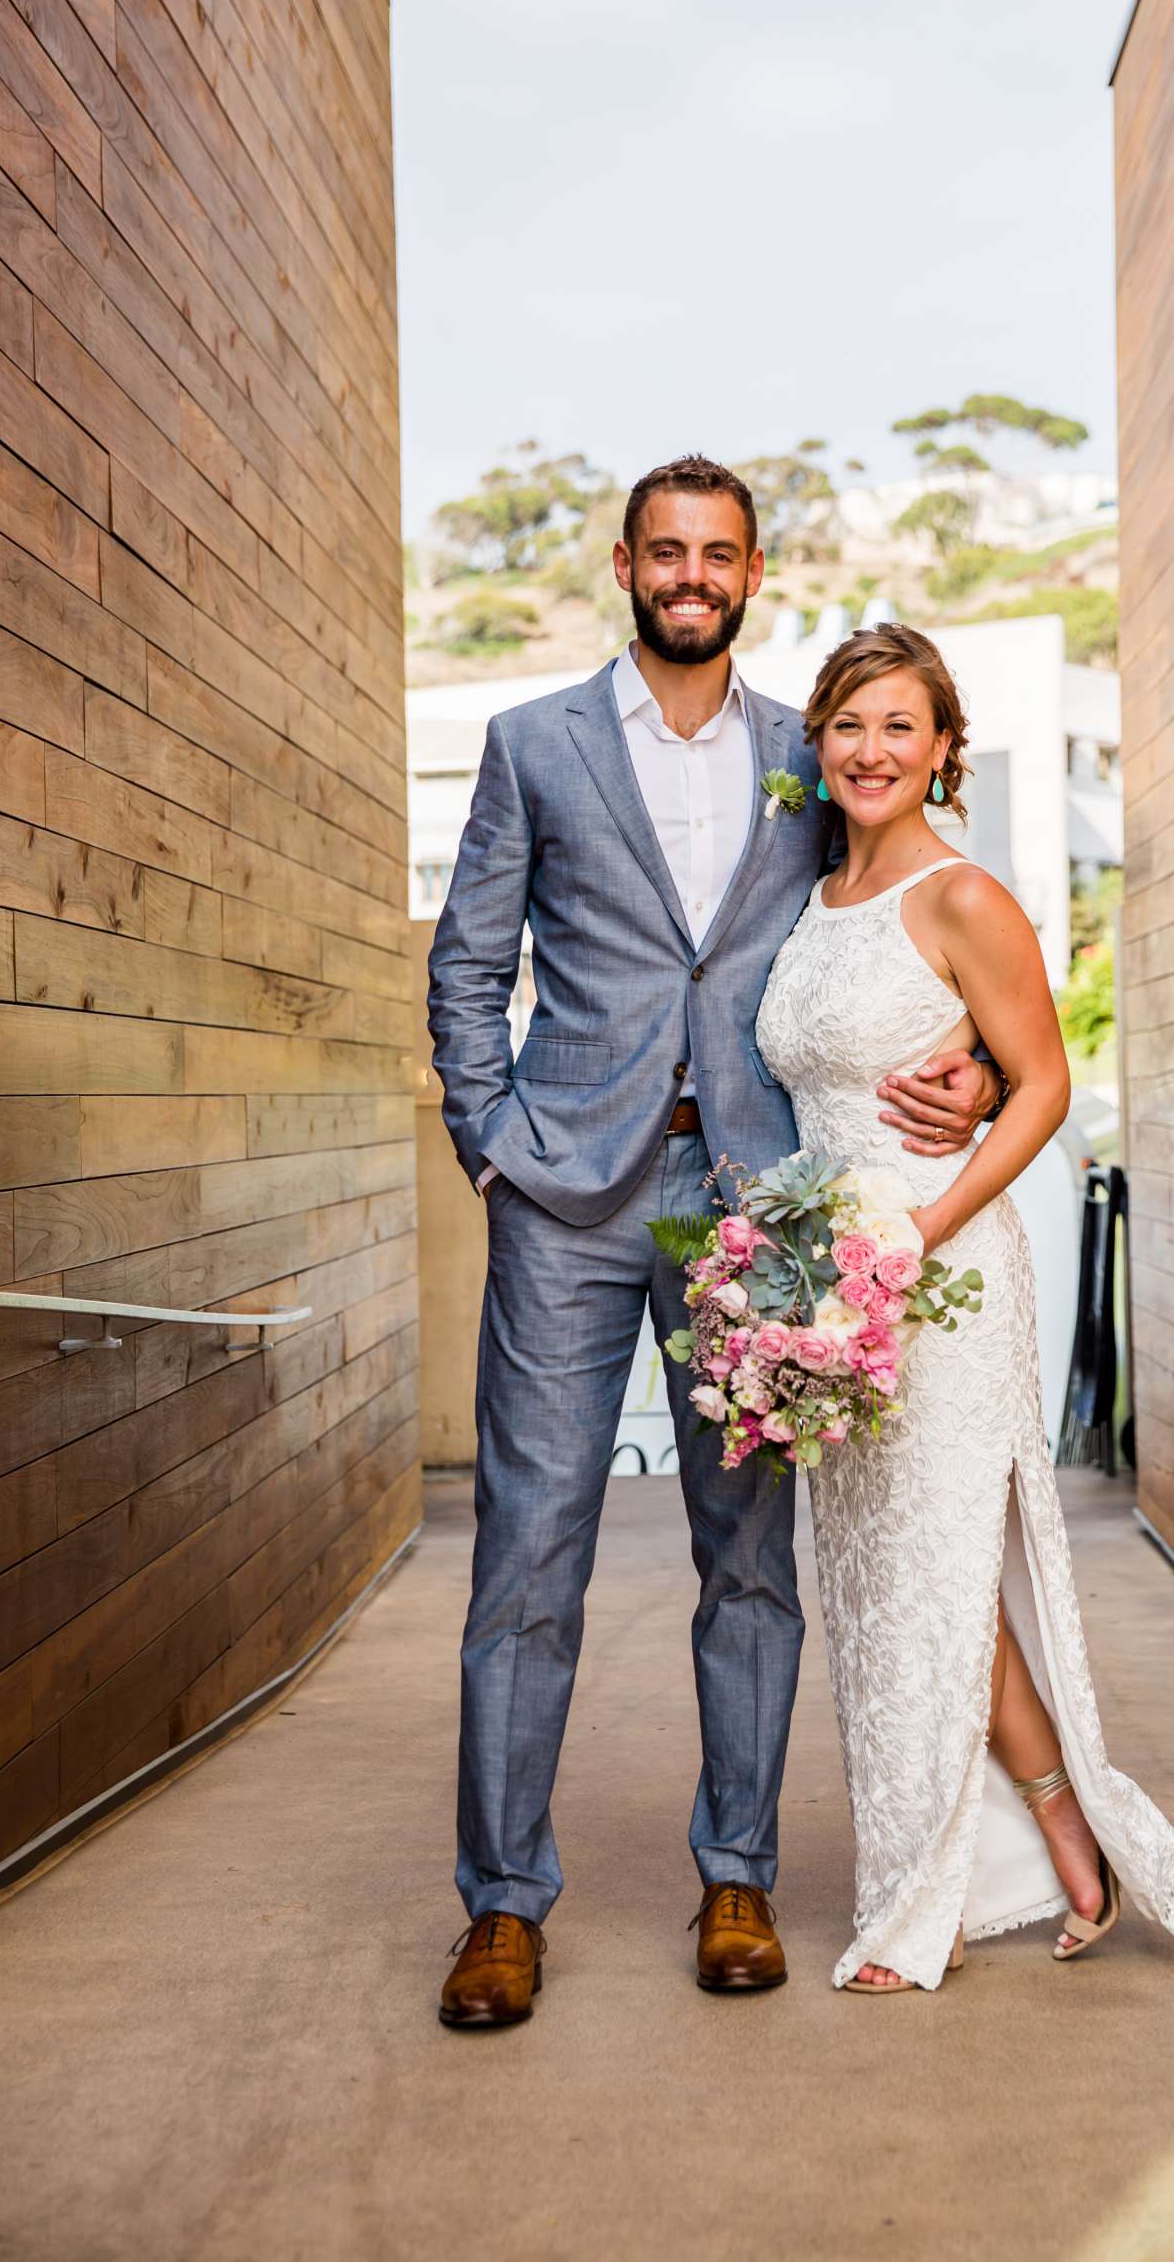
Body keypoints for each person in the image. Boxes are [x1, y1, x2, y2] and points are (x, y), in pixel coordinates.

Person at [426, 458, 1002, 2027]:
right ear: (626, 564)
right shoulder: (530, 744)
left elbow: (908, 911)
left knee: (747, 1556)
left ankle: (736, 1873)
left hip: (761, 1204)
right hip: (568, 1200)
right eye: (667, 551)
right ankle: (500, 1906)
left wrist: (985, 1064)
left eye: (720, 553)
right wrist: (495, 1149)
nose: (693, 573)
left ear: (754, 572)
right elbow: (467, 965)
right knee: (527, 1555)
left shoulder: (802, 758)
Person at [756, 623, 1174, 1990]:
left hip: (937, 1271)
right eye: (848, 724)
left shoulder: (963, 896)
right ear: (819, 748)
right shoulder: (816, 896)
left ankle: (923, 1900)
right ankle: (1061, 1841)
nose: (871, 749)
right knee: (887, 1583)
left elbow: (1046, 1083)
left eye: (901, 725)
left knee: (940, 1568)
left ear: (944, 748)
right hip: (826, 1273)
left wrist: (923, 1225)